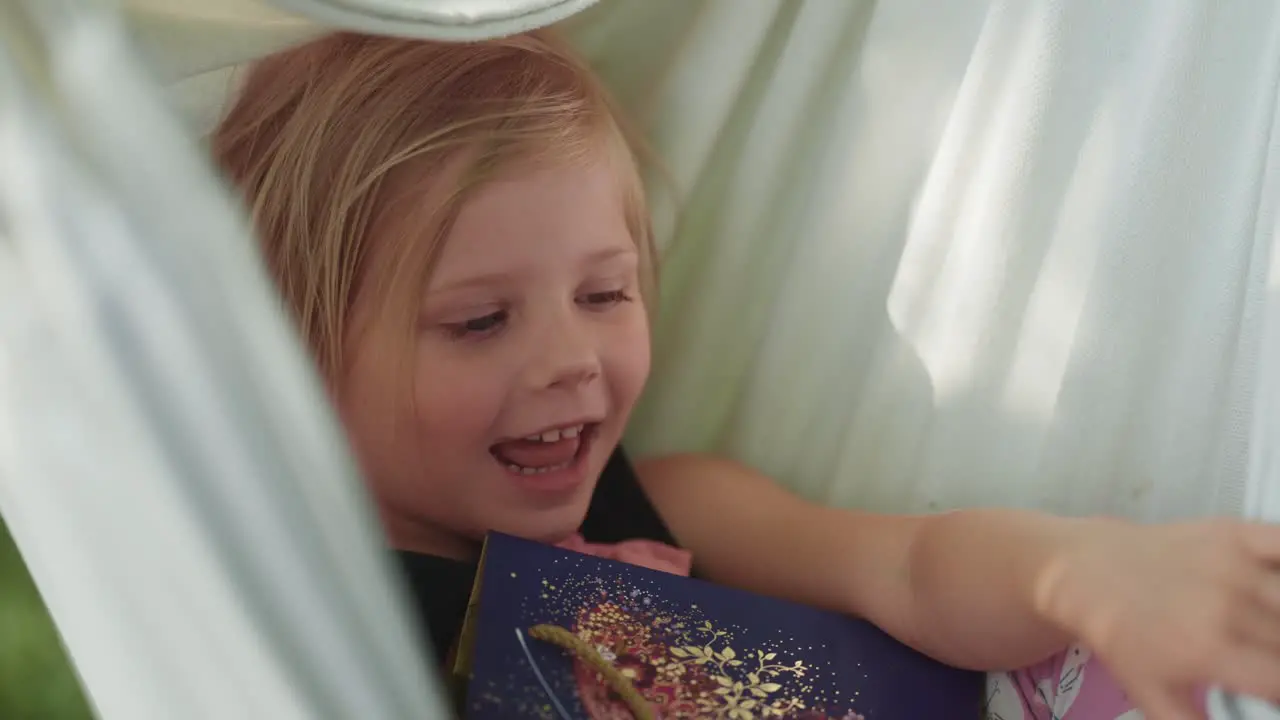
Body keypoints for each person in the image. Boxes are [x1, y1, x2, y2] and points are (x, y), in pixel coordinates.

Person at [211, 30, 1280, 720]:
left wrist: (1076, 574)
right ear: (295, 352)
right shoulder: (302, 626)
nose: (569, 360)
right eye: (480, 321)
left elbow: (906, 571)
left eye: (604, 294)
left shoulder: (673, 503)